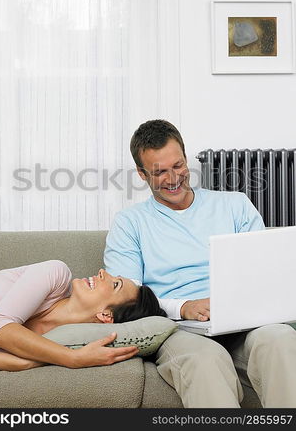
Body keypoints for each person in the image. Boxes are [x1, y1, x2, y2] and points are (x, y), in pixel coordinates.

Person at [104, 119, 296, 408]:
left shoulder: (236, 205)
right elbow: (126, 298)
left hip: (243, 325)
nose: (173, 178)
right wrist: (183, 307)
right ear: (142, 175)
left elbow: (264, 272)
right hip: (179, 331)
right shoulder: (129, 223)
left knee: (281, 338)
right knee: (207, 360)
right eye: (160, 172)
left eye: (178, 166)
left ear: (185, 157)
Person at [0, 260, 165, 371]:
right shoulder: (56, 274)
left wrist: (26, 362)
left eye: (115, 284)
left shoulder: (51, 344)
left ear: (107, 315)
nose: (102, 272)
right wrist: (71, 358)